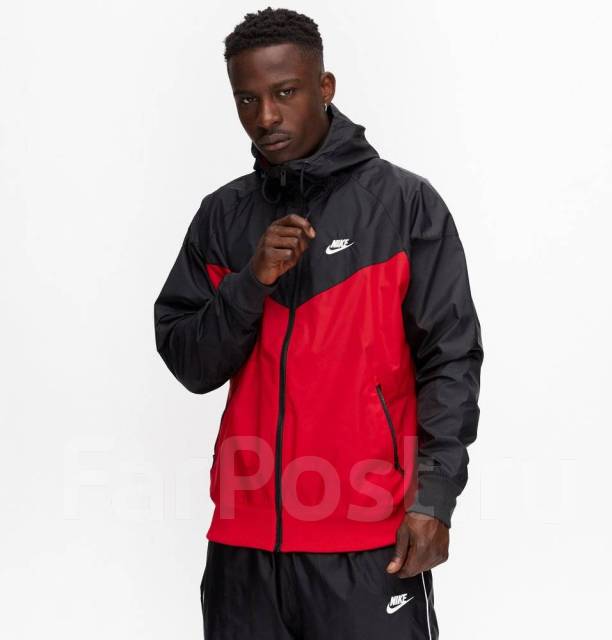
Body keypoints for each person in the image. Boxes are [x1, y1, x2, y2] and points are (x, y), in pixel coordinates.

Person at [153, 7, 483, 639]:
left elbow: (451, 359)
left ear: (324, 87)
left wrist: (435, 499)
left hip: (370, 538)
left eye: (285, 93)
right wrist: (251, 283)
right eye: (247, 99)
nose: (265, 117)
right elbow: (191, 364)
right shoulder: (222, 216)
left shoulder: (404, 205)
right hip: (245, 548)